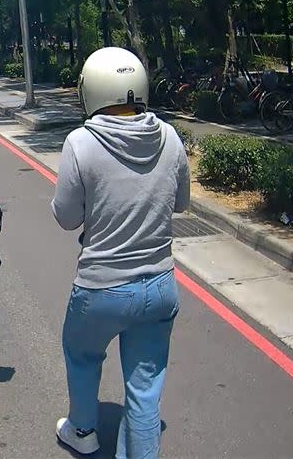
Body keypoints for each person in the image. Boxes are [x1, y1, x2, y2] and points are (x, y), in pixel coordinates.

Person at [51, 47, 190, 458]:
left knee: (81, 353)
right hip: (160, 286)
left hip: (101, 289)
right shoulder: (169, 136)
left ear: (91, 90)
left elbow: (66, 217)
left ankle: (82, 430)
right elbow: (180, 203)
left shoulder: (81, 142)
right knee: (145, 390)